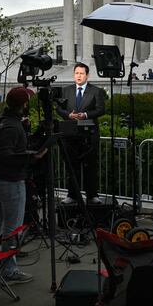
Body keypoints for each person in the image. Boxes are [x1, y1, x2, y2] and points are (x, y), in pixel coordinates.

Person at [0, 86, 38, 284]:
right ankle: (9, 270)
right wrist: (31, 157)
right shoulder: (11, 126)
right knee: (11, 228)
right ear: (23, 104)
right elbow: (5, 154)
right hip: (10, 181)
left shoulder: (2, 120)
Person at [56, 62, 105, 205]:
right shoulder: (66, 91)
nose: (78, 76)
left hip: (89, 135)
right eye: (76, 73)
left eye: (81, 73)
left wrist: (85, 114)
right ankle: (72, 195)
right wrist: (68, 115)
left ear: (87, 75)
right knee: (72, 166)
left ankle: (92, 195)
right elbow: (59, 109)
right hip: (70, 134)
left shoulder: (96, 91)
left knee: (90, 166)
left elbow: (100, 109)